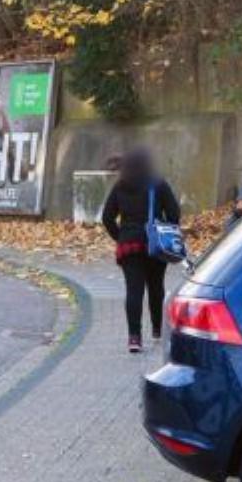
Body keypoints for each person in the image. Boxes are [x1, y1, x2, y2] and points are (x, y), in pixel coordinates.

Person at [101, 148, 180, 353]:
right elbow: (174, 213)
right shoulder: (158, 184)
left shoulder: (120, 186)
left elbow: (107, 217)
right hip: (155, 245)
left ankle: (134, 338)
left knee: (133, 291)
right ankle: (157, 330)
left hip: (129, 246)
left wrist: (121, 236)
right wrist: (165, 229)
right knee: (156, 288)